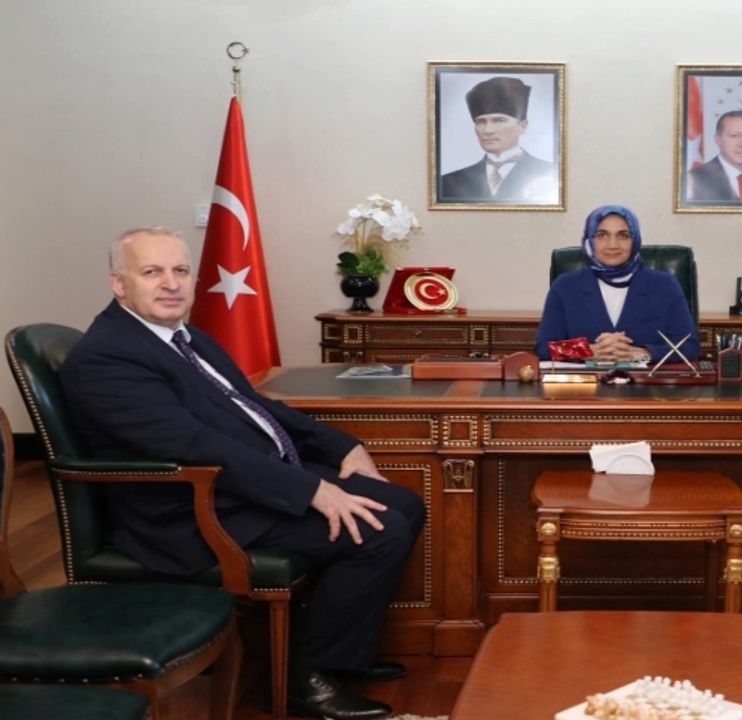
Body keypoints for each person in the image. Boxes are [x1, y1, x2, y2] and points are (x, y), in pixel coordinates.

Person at [60, 227, 424, 720]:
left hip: (239, 486)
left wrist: (343, 445)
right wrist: (311, 490)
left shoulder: (183, 337)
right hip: (190, 510)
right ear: (119, 284)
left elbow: (255, 405)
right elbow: (194, 446)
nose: (171, 283)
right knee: (378, 530)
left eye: (180, 270)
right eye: (151, 272)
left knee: (403, 504)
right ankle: (308, 678)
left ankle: (342, 655)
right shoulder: (107, 357)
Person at [535, 205, 699, 364]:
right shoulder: (565, 286)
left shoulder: (664, 285)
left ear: (635, 241)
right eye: (602, 235)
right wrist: (586, 351)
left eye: (623, 236)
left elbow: (689, 347)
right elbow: (544, 348)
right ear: (589, 240)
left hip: (645, 382)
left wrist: (641, 353)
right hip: (586, 382)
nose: (612, 245)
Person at [438, 76, 557, 204]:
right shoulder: (448, 182)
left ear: (523, 126)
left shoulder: (550, 173)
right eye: (480, 122)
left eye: (499, 120)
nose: (487, 130)